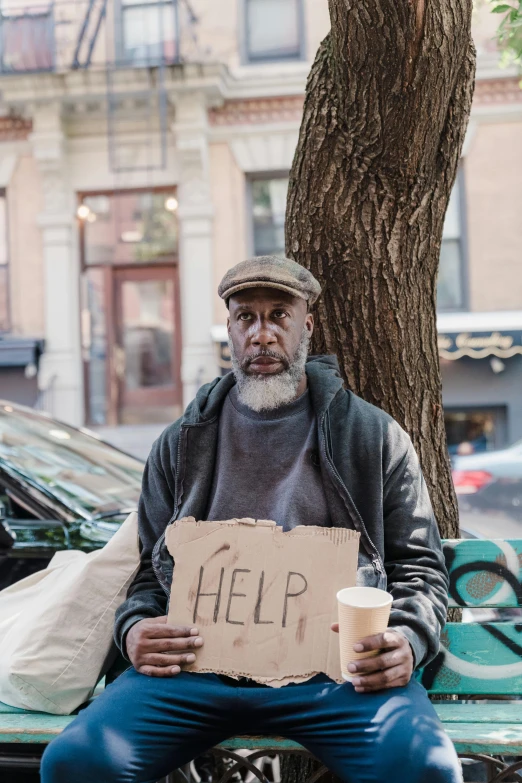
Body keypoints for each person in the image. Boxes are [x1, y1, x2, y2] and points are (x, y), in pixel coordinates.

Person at [41, 256, 461, 783]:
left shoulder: (373, 437)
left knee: (424, 769)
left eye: (279, 316)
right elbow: (150, 574)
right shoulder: (179, 443)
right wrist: (134, 631)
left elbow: (419, 567)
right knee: (75, 763)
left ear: (306, 325)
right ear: (230, 330)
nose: (262, 334)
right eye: (246, 318)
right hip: (196, 671)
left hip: (331, 674)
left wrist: (408, 639)